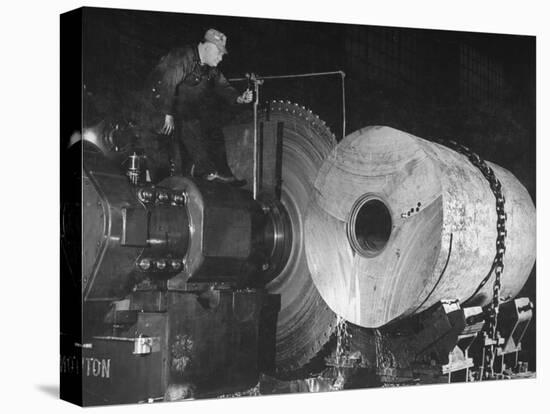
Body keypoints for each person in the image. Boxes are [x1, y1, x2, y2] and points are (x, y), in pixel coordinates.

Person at [142, 28, 252, 185]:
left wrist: (239, 98)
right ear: (207, 48)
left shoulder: (209, 68)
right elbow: (167, 82)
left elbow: (222, 85)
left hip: (176, 111)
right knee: (161, 156)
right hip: (156, 107)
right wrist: (167, 113)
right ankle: (163, 186)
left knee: (192, 129)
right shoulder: (183, 57)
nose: (220, 58)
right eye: (219, 53)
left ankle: (207, 173)